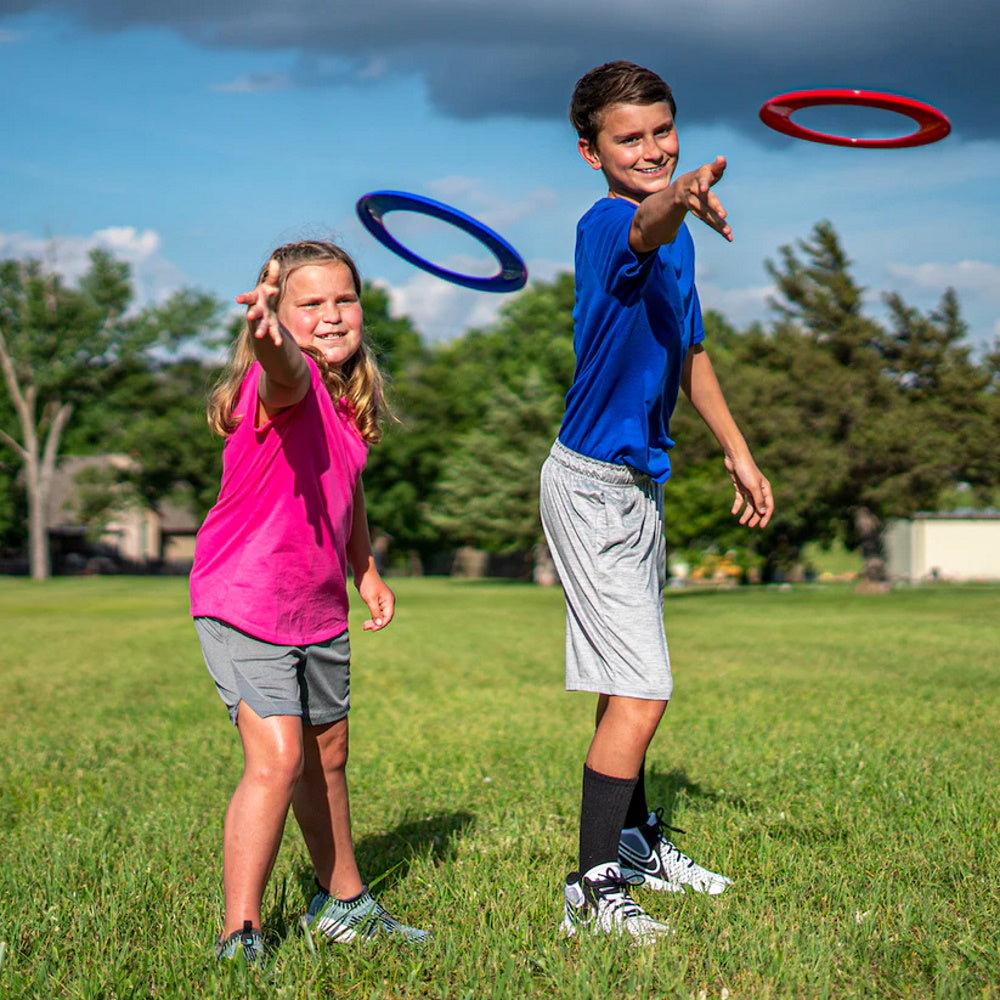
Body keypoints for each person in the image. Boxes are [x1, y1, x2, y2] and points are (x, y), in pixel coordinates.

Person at [540, 61, 774, 942]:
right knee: (643, 692)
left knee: (619, 682)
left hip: (639, 485)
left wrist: (738, 452)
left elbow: (690, 349)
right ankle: (593, 888)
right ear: (589, 151)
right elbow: (645, 220)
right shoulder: (609, 223)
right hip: (591, 485)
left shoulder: (674, 235)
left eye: (662, 130)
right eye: (627, 137)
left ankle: (634, 842)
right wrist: (675, 194)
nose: (651, 148)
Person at [189, 240, 429, 965]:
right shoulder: (281, 387)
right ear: (278, 316)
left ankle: (344, 902)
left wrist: (367, 571)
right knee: (280, 758)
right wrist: (270, 337)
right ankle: (241, 931)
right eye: (310, 304)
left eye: (344, 300)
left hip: (316, 606)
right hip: (245, 600)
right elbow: (283, 366)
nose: (331, 316)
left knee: (329, 757)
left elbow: (344, 496)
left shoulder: (347, 407)